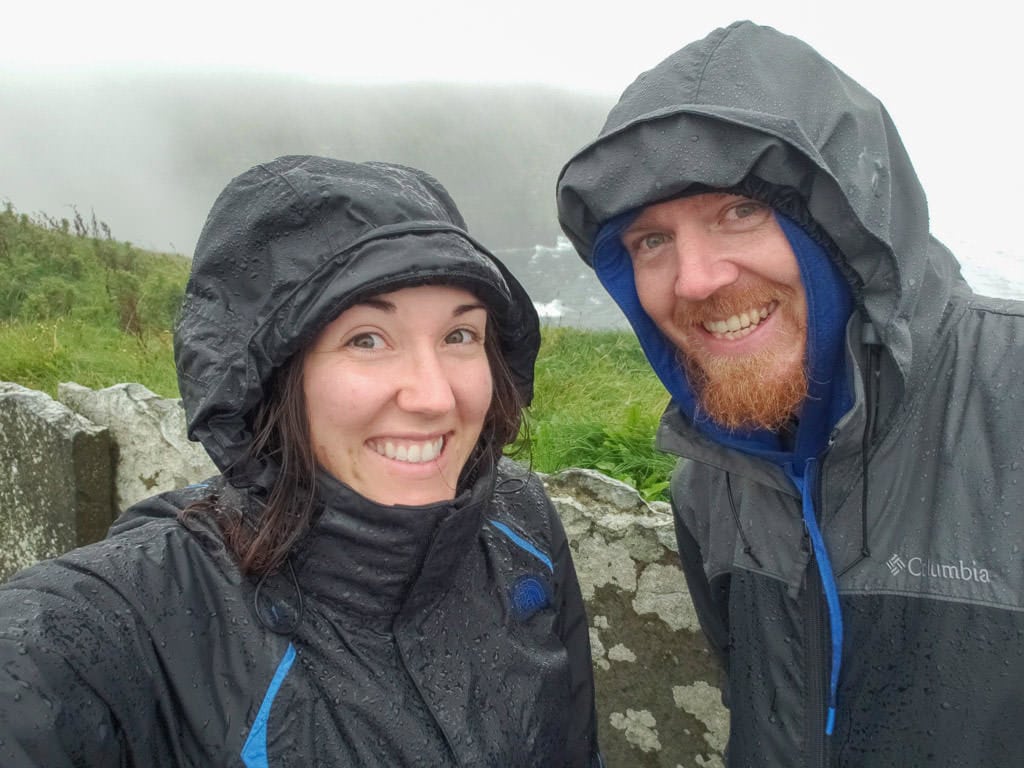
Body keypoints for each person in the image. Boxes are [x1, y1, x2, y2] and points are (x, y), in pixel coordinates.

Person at [0, 156, 602, 767]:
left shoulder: (519, 520)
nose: (436, 397)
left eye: (459, 336)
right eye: (367, 339)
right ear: (269, 376)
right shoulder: (120, 624)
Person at [556, 19, 1023, 767]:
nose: (695, 279)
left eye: (740, 211)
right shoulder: (712, 480)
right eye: (651, 241)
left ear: (847, 226)